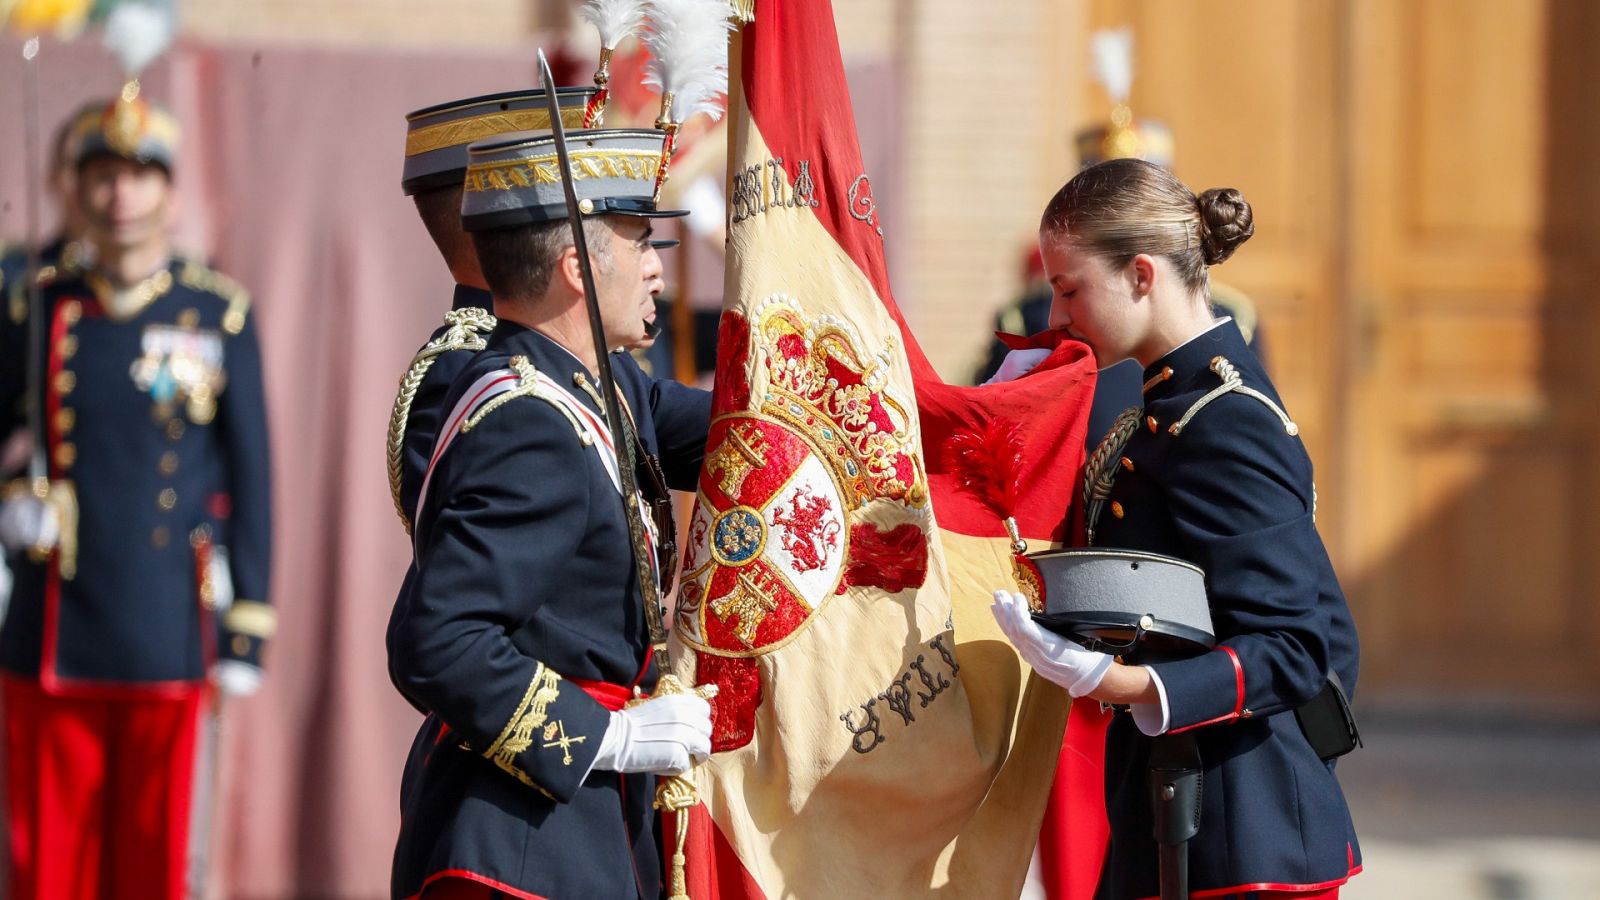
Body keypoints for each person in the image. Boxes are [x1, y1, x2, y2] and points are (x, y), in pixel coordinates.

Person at [990, 158, 1361, 899]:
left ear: (1141, 275)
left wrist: (1121, 680)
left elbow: (1296, 645)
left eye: (1069, 290)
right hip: (1173, 810)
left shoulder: (1225, 419)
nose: (1057, 317)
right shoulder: (1166, 402)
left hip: (1242, 831)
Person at [386, 127, 714, 900]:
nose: (656, 267)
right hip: (518, 846)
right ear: (577, 268)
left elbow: (741, 431)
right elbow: (435, 640)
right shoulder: (530, 421)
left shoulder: (600, 384)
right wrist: (609, 738)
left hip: (579, 832)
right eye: (638, 242)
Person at [0, 91, 273, 900]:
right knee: (47, 861)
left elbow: (252, 473)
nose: (122, 197)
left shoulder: (215, 311)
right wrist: (12, 499)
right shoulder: (32, 301)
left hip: (164, 626)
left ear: (171, 192)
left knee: (151, 864)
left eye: (141, 176)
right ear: (72, 188)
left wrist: (249, 621)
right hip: (53, 618)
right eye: (103, 177)